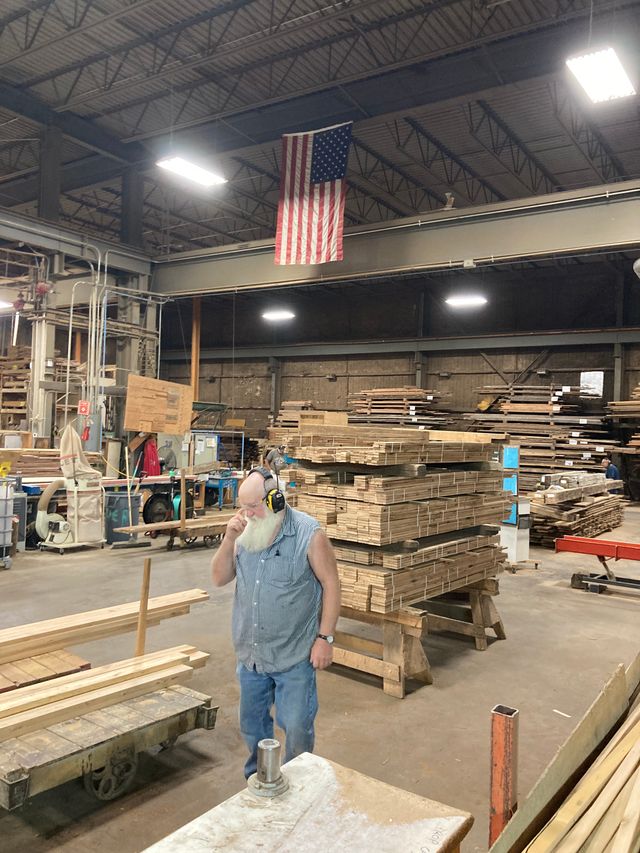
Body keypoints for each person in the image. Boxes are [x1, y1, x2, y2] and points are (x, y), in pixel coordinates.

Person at [211, 467, 340, 779]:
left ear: (276, 499)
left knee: (296, 726)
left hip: (293, 655)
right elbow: (218, 578)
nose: (247, 514)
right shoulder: (244, 532)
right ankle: (261, 778)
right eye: (242, 506)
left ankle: (298, 779)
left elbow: (332, 584)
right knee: (252, 725)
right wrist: (229, 538)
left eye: (254, 506)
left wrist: (325, 638)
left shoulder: (309, 535)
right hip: (252, 657)